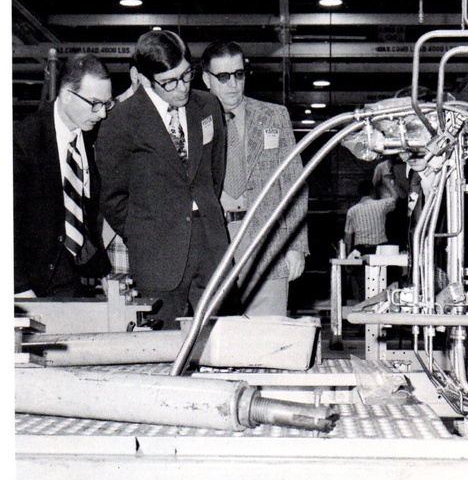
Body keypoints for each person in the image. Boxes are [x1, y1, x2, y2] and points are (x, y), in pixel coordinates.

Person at [95, 30, 229, 329]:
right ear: (143, 79)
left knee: (219, 343)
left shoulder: (208, 106)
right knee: (161, 350)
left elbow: (214, 173)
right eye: (169, 82)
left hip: (211, 245)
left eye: (186, 75)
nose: (182, 88)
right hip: (157, 255)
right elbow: (112, 195)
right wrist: (144, 233)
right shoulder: (121, 119)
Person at [201, 40, 308, 317]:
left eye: (238, 74)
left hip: (265, 239)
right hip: (213, 239)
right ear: (206, 79)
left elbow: (294, 184)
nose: (233, 84)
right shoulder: (192, 119)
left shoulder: (274, 116)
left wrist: (296, 246)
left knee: (268, 334)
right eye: (223, 77)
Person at [13, 53, 114, 298]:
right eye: (95, 103)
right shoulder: (22, 140)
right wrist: (18, 288)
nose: (102, 114)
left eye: (107, 104)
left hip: (72, 280)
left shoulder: (89, 138)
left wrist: (102, 273)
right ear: (67, 95)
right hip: (29, 284)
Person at [343, 180, 397, 301]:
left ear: (359, 193)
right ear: (373, 192)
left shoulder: (352, 211)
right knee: (382, 286)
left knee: (363, 288)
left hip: (360, 252)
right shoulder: (381, 205)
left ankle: (364, 313)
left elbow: (348, 238)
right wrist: (388, 183)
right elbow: (395, 198)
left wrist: (347, 259)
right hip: (380, 250)